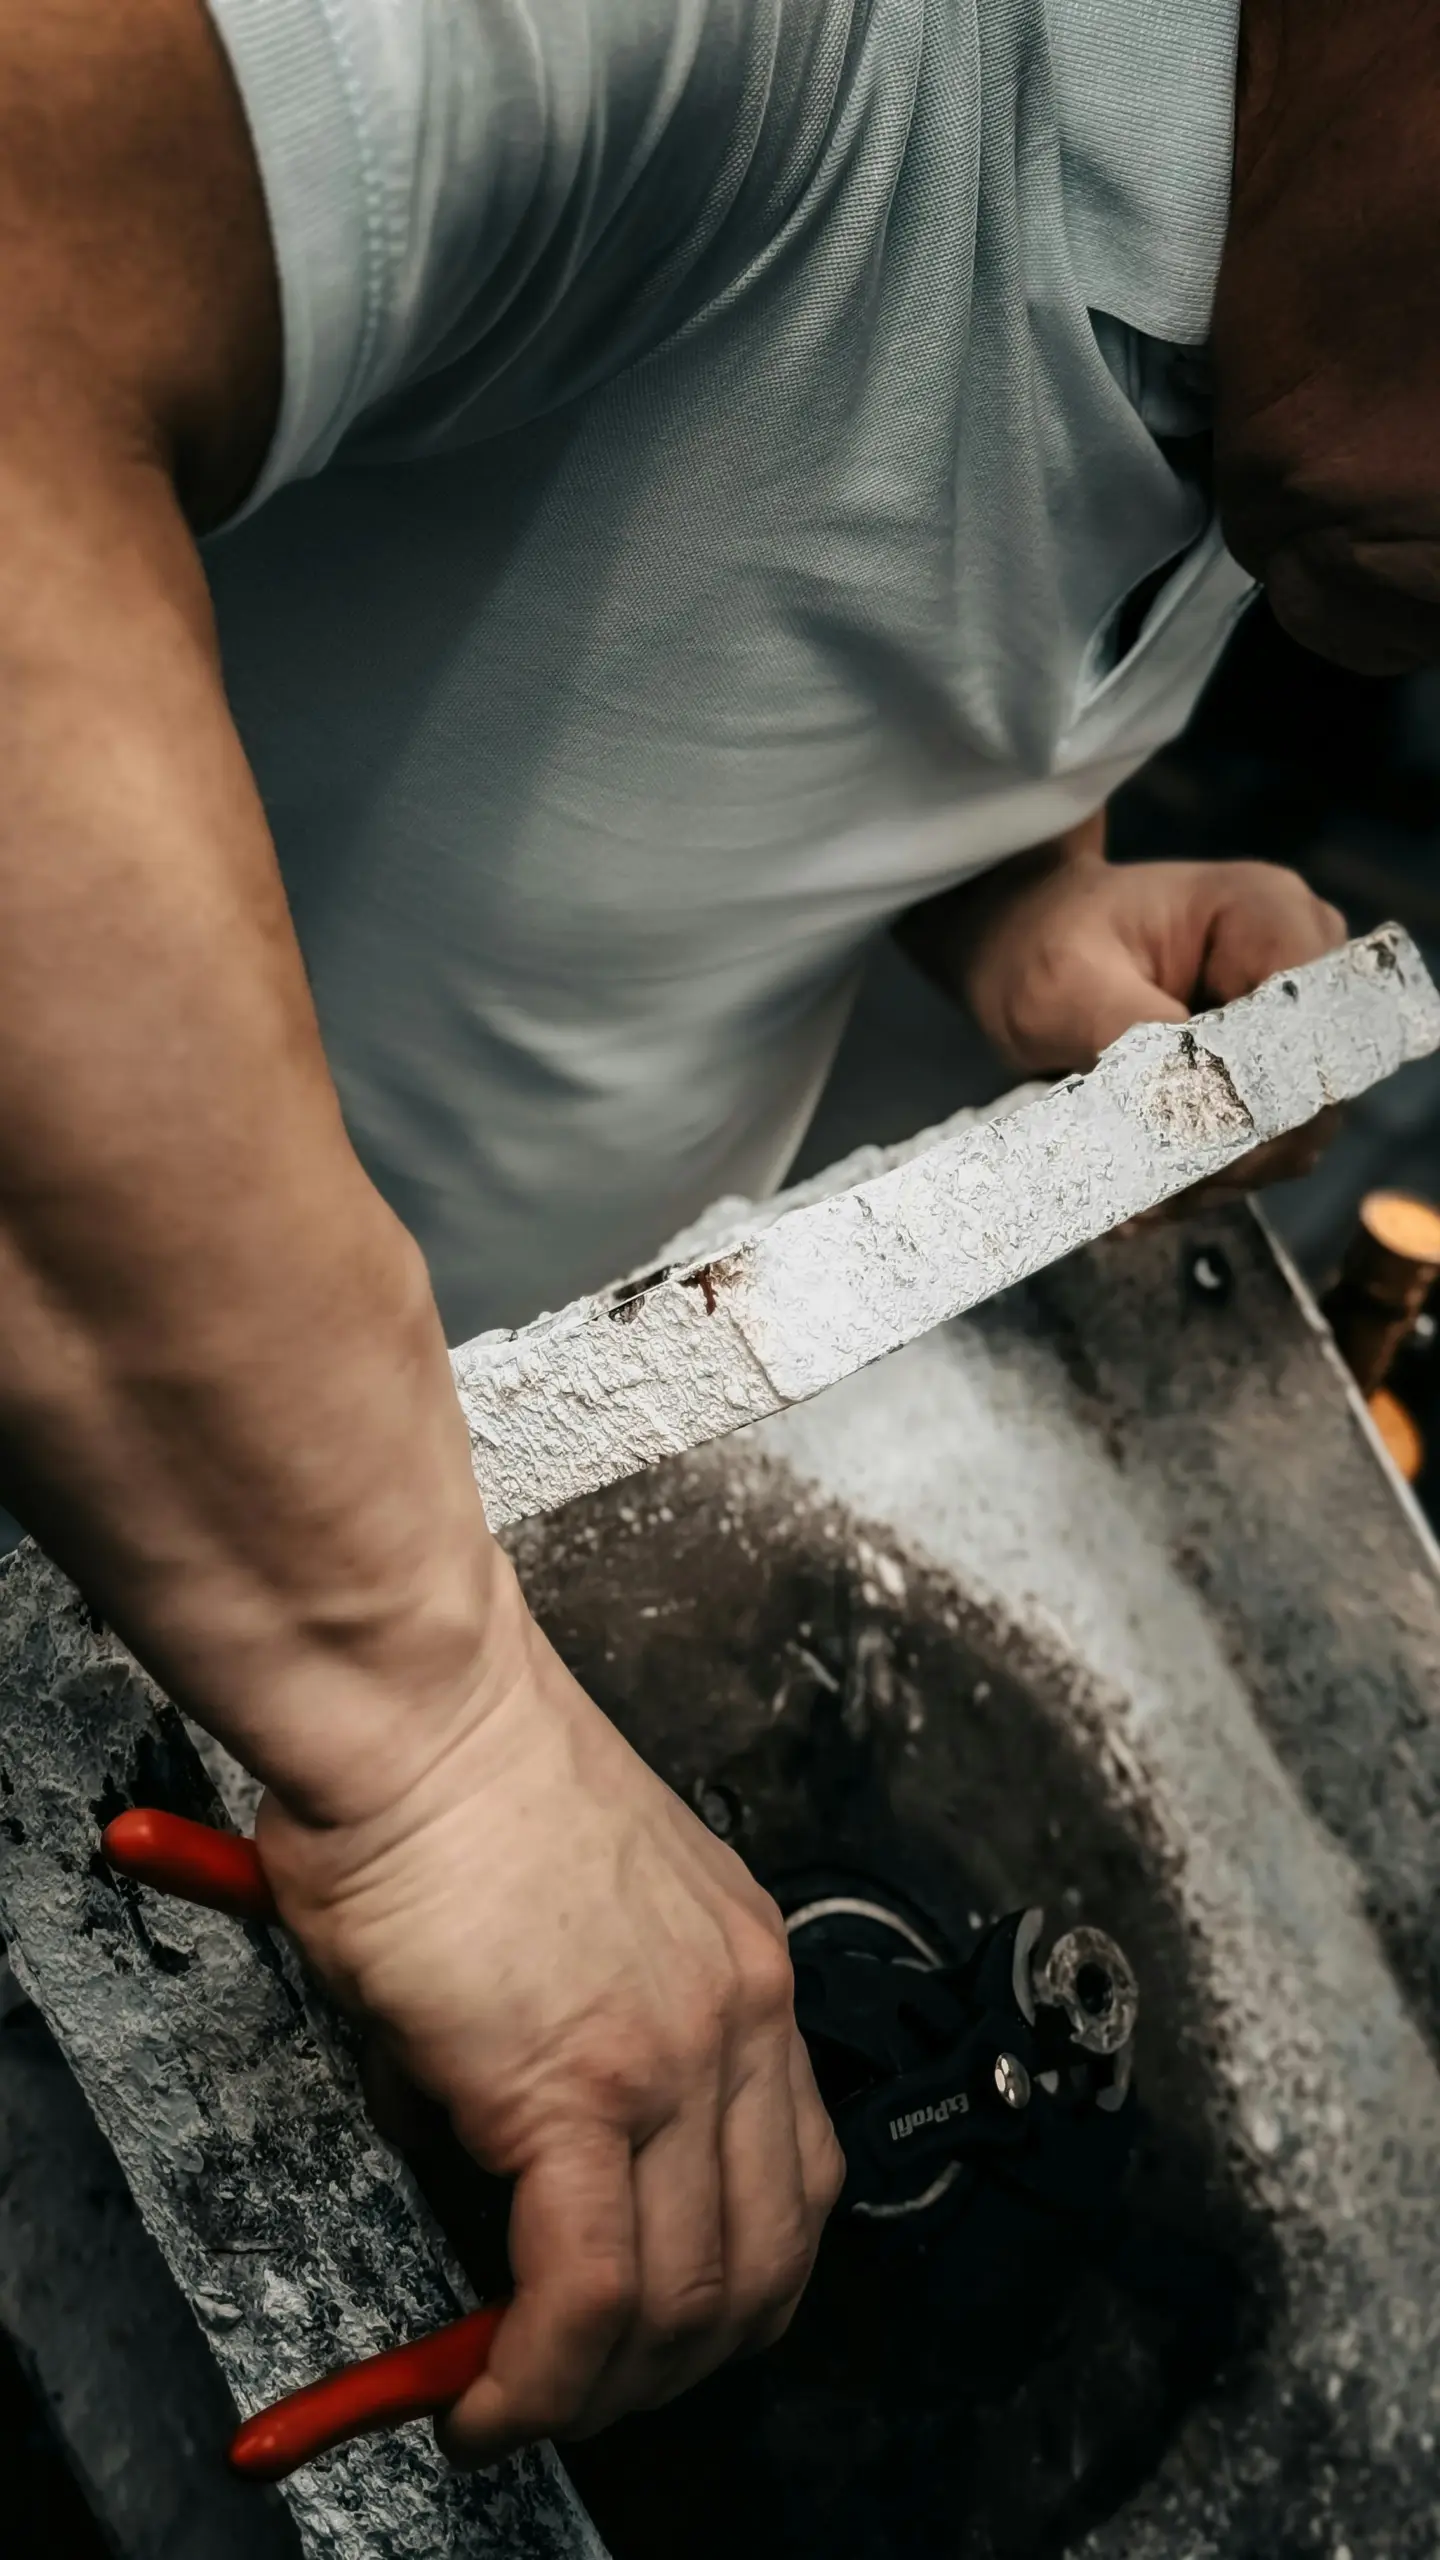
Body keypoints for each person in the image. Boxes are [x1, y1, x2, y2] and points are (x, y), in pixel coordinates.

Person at [0, 0, 1428, 2467]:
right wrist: (423, 1717)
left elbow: (737, 500)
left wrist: (1003, 894)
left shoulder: (1301, 269)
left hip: (311, 1589)